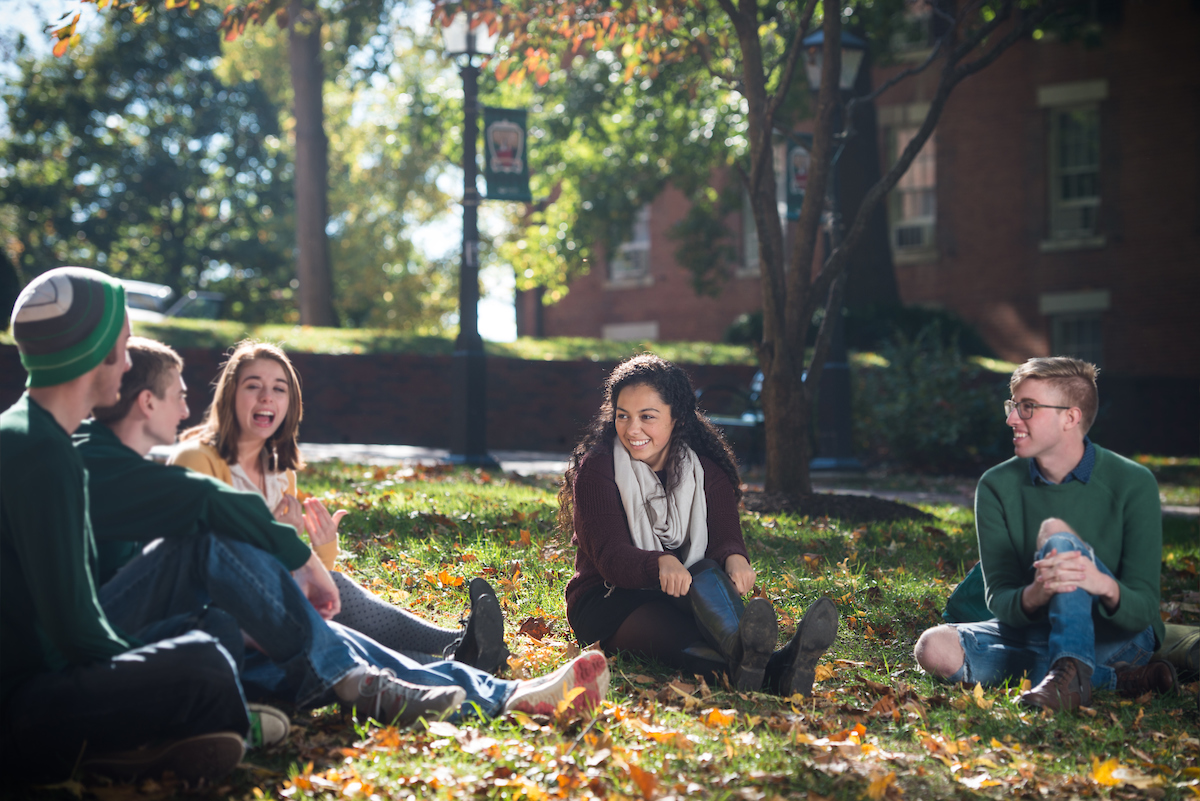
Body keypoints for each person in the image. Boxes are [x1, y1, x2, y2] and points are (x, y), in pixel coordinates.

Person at [79, 336, 609, 724]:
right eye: (178, 394)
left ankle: (502, 693)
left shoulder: (247, 468)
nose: (186, 408)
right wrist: (301, 559)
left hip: (224, 610)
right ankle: (432, 675)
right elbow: (214, 524)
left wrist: (318, 554)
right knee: (309, 634)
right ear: (148, 402)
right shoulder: (158, 463)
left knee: (328, 638)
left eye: (278, 388)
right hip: (176, 626)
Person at [1, 267, 248, 785]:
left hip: (44, 679)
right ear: (96, 352)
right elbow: (75, 634)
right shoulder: (43, 454)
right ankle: (145, 739)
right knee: (204, 666)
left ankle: (154, 737)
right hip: (24, 708)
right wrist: (148, 672)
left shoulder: (29, 433)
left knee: (216, 633)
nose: (130, 361)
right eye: (124, 344)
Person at [169, 340, 508, 674]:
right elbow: (204, 559)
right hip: (214, 613)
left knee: (333, 596)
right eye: (253, 385)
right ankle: (461, 656)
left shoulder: (280, 472)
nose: (266, 397)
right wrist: (276, 537)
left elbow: (293, 575)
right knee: (330, 613)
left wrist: (323, 547)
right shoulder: (196, 459)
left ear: (290, 403)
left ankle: (459, 655)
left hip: (268, 602)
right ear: (230, 394)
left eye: (279, 388)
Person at [561, 354, 839, 696]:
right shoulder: (598, 470)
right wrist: (660, 562)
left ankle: (765, 667)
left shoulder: (706, 471)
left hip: (688, 593)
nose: (632, 429)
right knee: (682, 637)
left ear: (677, 417)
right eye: (623, 416)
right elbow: (611, 556)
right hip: (610, 599)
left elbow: (724, 538)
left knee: (707, 570)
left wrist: (735, 558)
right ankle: (780, 665)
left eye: (647, 417)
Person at [913, 357, 1178, 711]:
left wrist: (1099, 582)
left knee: (1056, 535)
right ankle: (1112, 679)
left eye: (1028, 407)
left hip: (1119, 636)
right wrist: (1036, 593)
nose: (1011, 419)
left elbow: (1143, 610)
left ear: (1070, 417)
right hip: (1034, 629)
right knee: (933, 648)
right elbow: (1000, 599)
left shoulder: (1133, 482)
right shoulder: (996, 486)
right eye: (1012, 405)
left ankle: (1072, 668)